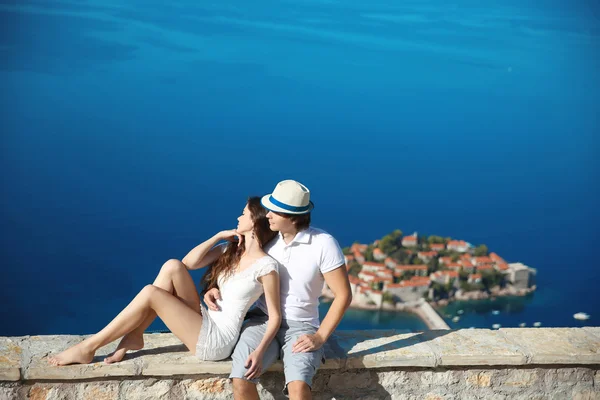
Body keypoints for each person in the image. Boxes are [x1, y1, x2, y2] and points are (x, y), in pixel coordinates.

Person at [48, 197, 281, 377]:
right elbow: (188, 263)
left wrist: (259, 352)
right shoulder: (232, 251)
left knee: (151, 293)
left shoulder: (265, 266)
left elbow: (275, 316)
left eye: (243, 214)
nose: (238, 217)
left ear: (254, 223)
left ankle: (89, 346)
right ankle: (135, 335)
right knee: (172, 266)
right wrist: (218, 236)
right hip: (207, 321)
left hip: (217, 341)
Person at [205, 180, 352, 400]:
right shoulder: (268, 240)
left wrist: (320, 337)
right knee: (241, 379)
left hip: (300, 328)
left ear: (292, 217)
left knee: (298, 388)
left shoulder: (323, 244)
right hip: (262, 321)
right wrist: (214, 287)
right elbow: (240, 268)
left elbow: (343, 295)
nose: (268, 215)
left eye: (275, 211)